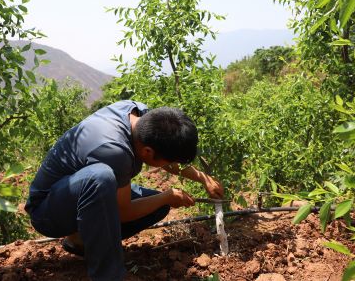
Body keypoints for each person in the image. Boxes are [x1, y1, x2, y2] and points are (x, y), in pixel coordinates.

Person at [24, 100, 224, 280]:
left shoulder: (140, 115)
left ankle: (80, 240)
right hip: (47, 211)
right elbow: (123, 212)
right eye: (169, 161)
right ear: (147, 152)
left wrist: (202, 178)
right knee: (101, 178)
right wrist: (168, 196)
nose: (170, 165)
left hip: (79, 196)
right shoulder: (114, 150)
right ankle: (108, 275)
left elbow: (163, 156)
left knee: (156, 206)